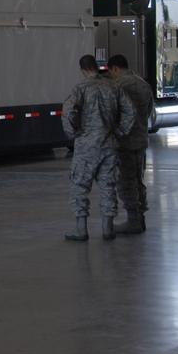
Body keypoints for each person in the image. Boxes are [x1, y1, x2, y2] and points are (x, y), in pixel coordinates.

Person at [61, 54, 135, 242]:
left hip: (87, 146)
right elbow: (130, 111)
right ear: (97, 66)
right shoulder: (113, 86)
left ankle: (81, 230)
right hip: (109, 144)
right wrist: (120, 131)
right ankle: (107, 229)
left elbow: (68, 111)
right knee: (108, 186)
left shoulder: (80, 89)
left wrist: (73, 132)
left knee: (80, 186)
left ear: (83, 69)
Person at [107, 54, 154, 234]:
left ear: (115, 69)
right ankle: (140, 216)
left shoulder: (118, 86)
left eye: (111, 72)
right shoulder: (143, 84)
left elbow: (114, 113)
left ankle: (133, 220)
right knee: (138, 179)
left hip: (124, 141)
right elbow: (149, 110)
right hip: (141, 139)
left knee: (126, 181)